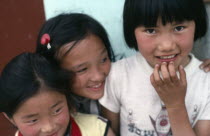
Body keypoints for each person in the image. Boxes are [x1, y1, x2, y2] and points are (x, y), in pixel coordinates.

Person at [99, 0, 210, 135]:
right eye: (151, 30)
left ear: (197, 25)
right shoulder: (118, 75)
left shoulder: (206, 82)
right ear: (132, 31)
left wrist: (175, 105)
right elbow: (107, 130)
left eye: (179, 28)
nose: (166, 45)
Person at [0, 53, 115, 136]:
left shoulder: (97, 130)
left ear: (66, 97)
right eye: (33, 120)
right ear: (11, 118)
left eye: (56, 110)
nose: (49, 127)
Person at [36, 13, 115, 115]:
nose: (98, 76)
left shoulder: (122, 85)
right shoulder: (57, 115)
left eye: (103, 59)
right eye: (82, 69)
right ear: (54, 72)